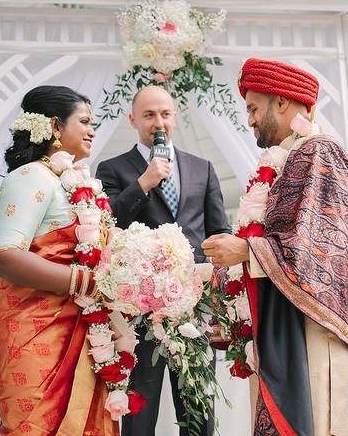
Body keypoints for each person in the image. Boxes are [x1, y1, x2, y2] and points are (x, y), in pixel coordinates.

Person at [202, 58, 348, 436]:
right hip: (279, 324)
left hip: (311, 326)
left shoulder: (320, 153)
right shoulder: (288, 158)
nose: (250, 121)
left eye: (254, 108)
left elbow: (326, 247)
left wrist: (246, 251)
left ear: (281, 103)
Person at [95, 85, 230, 436]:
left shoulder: (202, 168)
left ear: (174, 117)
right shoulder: (112, 168)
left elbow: (219, 231)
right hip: (139, 310)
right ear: (133, 119)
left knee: (199, 409)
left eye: (165, 114)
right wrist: (144, 182)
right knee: (140, 412)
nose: (159, 122)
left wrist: (218, 293)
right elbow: (104, 224)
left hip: (194, 307)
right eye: (149, 114)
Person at [0, 85, 115, 436]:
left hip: (80, 328)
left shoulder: (71, 182)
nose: (92, 130)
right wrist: (85, 282)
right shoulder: (32, 177)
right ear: (55, 127)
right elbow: (5, 255)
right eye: (85, 121)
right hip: (34, 329)